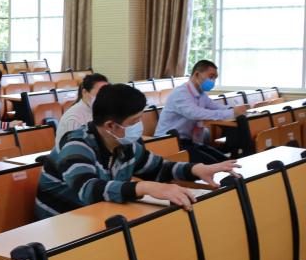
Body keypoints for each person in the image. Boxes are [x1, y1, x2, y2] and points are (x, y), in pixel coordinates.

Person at [36, 84, 239, 219]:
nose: (139, 126)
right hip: (60, 223)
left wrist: (197, 170)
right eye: (134, 121)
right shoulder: (76, 146)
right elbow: (89, 190)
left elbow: (159, 168)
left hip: (97, 215)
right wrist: (144, 187)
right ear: (110, 125)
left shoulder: (124, 144)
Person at [155, 60, 245, 164]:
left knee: (225, 161)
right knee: (215, 165)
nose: (213, 81)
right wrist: (232, 113)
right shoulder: (181, 92)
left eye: (215, 78)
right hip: (169, 143)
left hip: (188, 142)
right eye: (211, 77)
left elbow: (215, 107)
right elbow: (195, 114)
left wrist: (234, 109)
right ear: (197, 74)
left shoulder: (201, 94)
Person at [56, 73, 109, 144]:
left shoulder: (98, 110)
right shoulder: (74, 119)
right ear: (84, 92)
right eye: (100, 93)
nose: (104, 97)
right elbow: (74, 147)